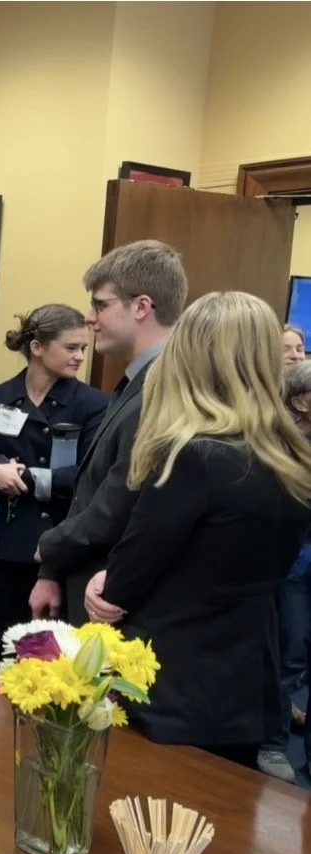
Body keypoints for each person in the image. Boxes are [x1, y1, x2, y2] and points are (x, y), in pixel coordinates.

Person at [83, 292, 311, 770]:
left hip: (172, 684)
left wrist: (105, 582)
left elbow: (130, 573)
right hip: (247, 683)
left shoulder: (194, 456)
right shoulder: (292, 455)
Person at [32, 240, 188, 623]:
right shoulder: (138, 380)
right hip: (89, 584)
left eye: (100, 305)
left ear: (141, 306)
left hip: (114, 598)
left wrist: (49, 546)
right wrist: (52, 570)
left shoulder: (165, 387)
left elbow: (120, 501)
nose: (90, 318)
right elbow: (92, 487)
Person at [0, 305, 107, 664]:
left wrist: (28, 478)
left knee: (52, 661)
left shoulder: (93, 404)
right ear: (37, 347)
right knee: (5, 653)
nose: (80, 356)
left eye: (83, 348)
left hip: (58, 547)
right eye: (71, 347)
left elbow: (90, 476)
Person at [264, 358, 311, 781]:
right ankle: (274, 743)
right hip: (296, 559)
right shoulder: (284, 445)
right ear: (300, 402)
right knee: (289, 657)